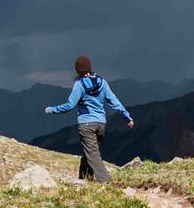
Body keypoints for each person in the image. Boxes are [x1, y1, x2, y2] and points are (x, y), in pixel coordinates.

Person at [44, 55, 133, 183]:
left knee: (92, 154)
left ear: (77, 70)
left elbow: (70, 105)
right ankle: (84, 180)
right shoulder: (102, 82)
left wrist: (52, 109)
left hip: (86, 124)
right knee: (89, 152)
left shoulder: (79, 85)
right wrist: (127, 117)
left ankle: (106, 181)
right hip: (101, 124)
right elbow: (114, 101)